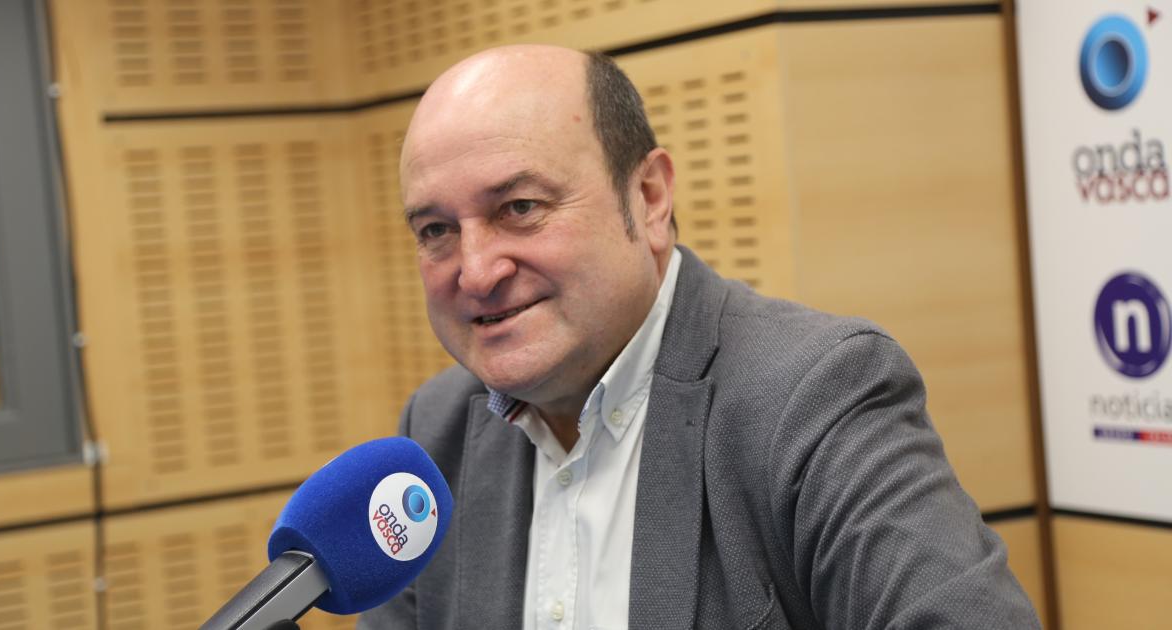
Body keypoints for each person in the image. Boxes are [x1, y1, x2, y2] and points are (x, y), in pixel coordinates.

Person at [359, 45, 1040, 629]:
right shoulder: (436, 436)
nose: (476, 271)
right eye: (436, 230)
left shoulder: (814, 399)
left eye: (520, 208)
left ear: (650, 198)